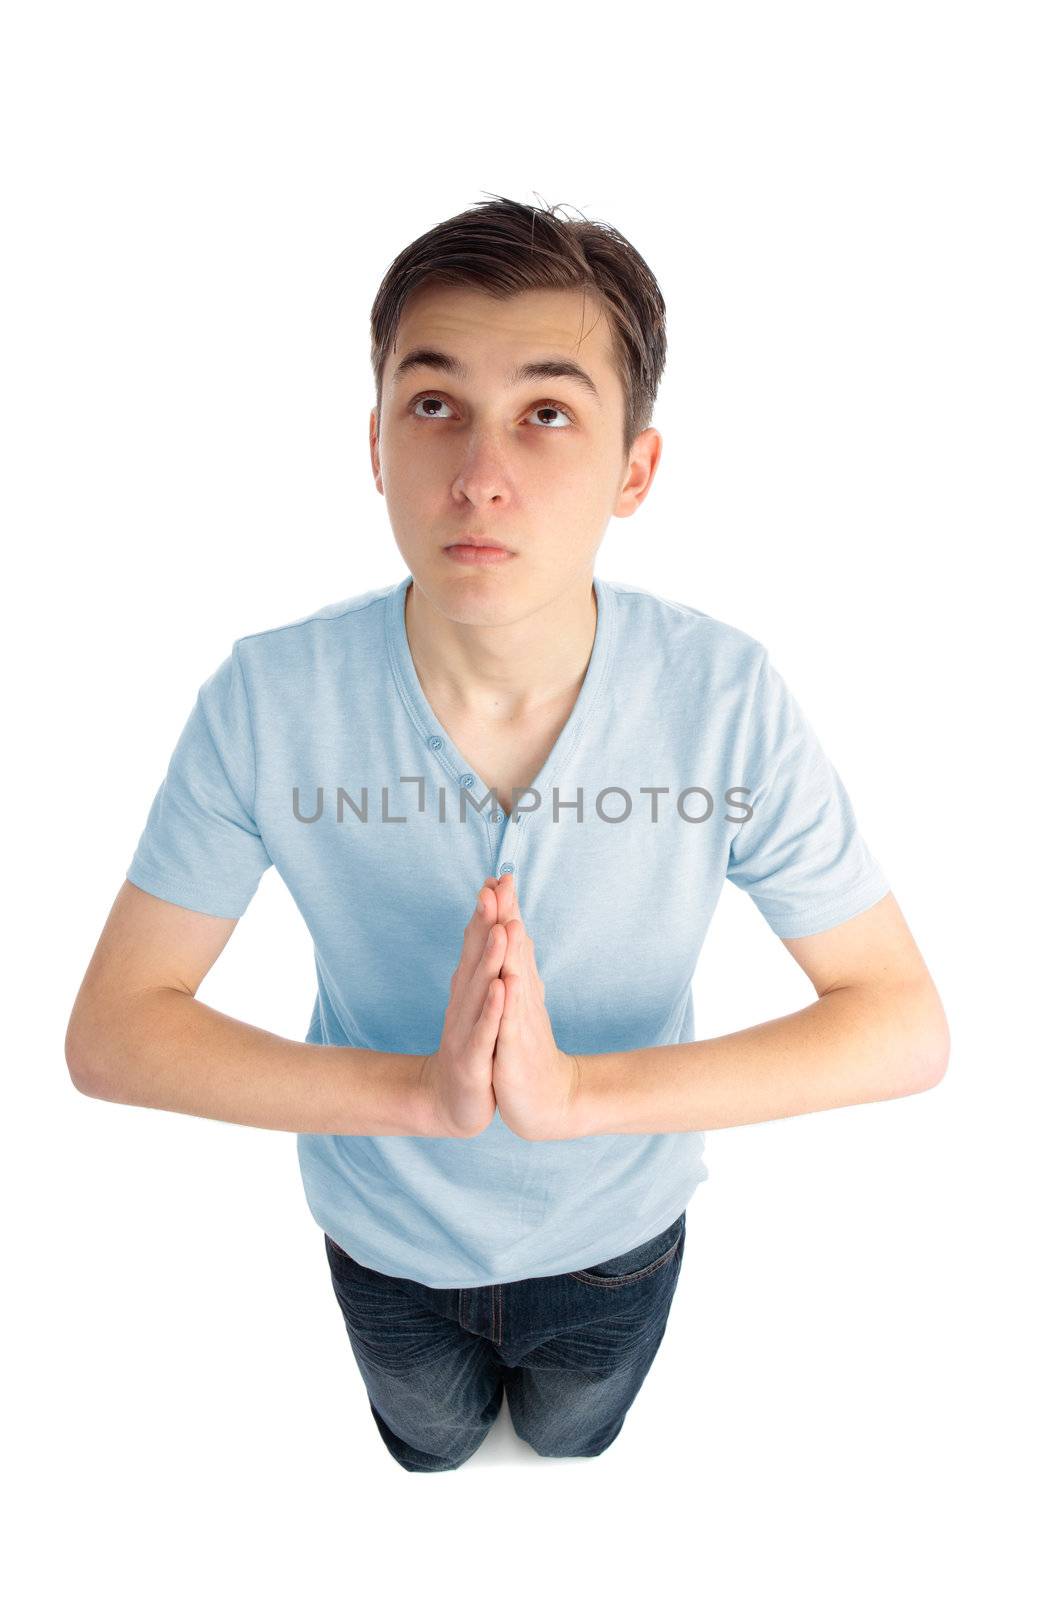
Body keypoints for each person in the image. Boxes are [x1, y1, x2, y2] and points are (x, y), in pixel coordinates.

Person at [65, 194, 950, 1473]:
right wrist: (417, 1096)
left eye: (548, 413)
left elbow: (902, 1021)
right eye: (435, 406)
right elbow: (113, 1029)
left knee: (571, 1443)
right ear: (376, 442)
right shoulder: (268, 698)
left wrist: (580, 1095)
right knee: (425, 1449)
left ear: (633, 469)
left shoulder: (726, 699)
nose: (480, 472)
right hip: (381, 1237)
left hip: (620, 1237)